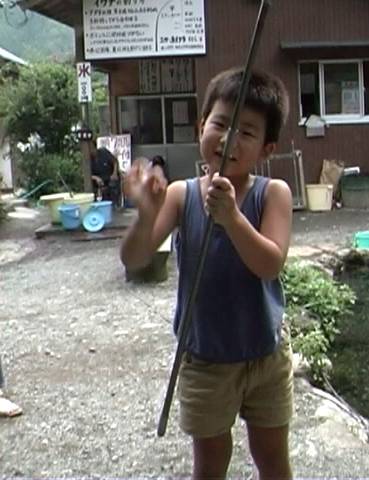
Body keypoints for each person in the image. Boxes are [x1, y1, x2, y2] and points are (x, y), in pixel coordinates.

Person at [120, 68, 294, 480]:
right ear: (201, 126)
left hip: (265, 356)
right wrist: (145, 215)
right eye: (220, 123)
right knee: (210, 464)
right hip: (205, 359)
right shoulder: (181, 195)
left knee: (272, 458)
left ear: (267, 148)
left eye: (246, 132)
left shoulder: (273, 194)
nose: (228, 138)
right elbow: (135, 258)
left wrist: (232, 217)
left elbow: (269, 264)